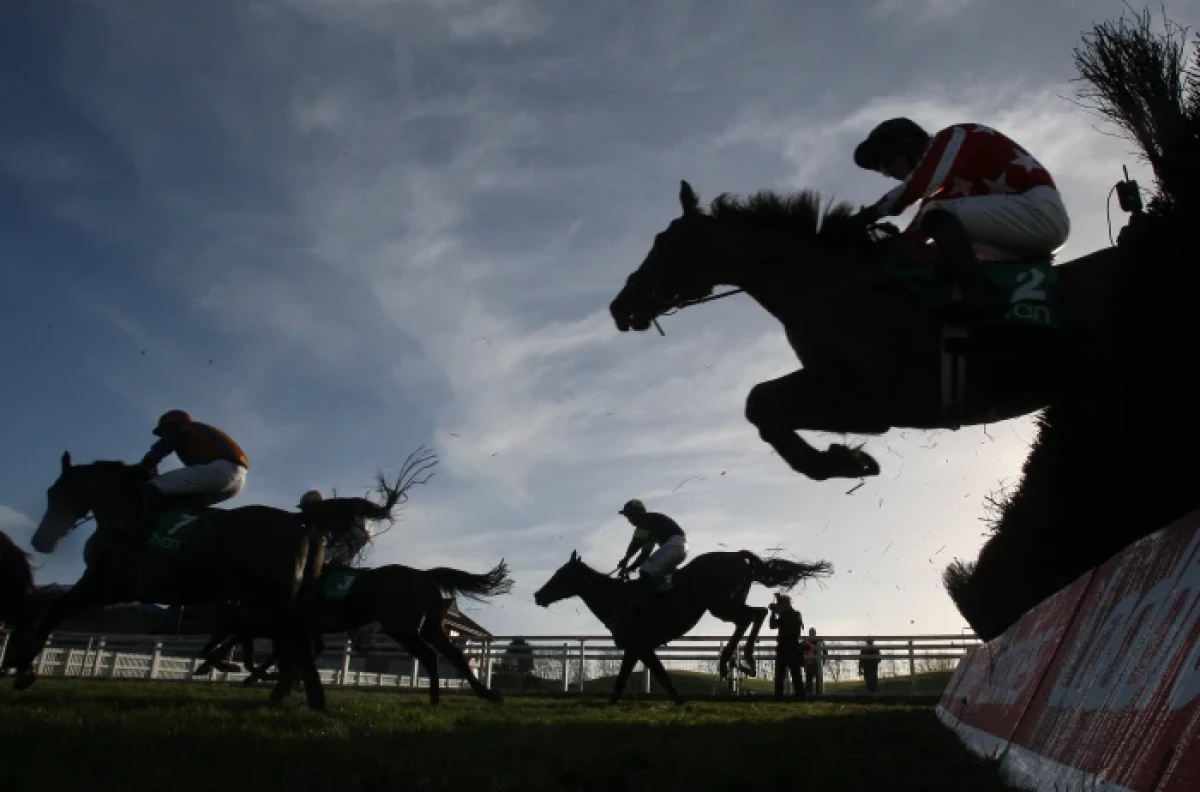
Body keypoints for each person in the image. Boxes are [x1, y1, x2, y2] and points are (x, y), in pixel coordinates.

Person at [851, 117, 1070, 263]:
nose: (888, 173)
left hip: (1039, 211)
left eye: (886, 162)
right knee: (933, 248)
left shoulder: (958, 135)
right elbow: (915, 236)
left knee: (938, 216)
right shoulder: (946, 192)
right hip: (1017, 234)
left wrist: (866, 216)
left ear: (905, 144)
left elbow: (920, 185)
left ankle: (972, 297)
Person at [133, 410, 249, 539]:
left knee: (154, 486)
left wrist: (142, 469)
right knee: (181, 506)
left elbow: (158, 452)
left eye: (163, 431)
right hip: (238, 481)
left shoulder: (180, 428)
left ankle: (143, 531)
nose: (163, 435)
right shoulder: (199, 431)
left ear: (170, 424)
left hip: (220, 471)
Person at [614, 498, 689, 595]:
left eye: (629, 516)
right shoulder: (651, 524)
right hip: (682, 548)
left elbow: (636, 543)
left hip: (672, 546)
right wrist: (630, 568)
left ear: (636, 513)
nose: (628, 520)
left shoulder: (644, 521)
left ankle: (659, 597)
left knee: (645, 570)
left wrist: (625, 560)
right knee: (653, 567)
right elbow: (644, 554)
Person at [297, 489, 372, 568]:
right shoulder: (322, 513)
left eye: (306, 508)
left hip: (359, 531)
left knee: (328, 557)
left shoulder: (326, 514)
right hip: (356, 531)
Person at [769, 593, 806, 701]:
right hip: (785, 647)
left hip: (792, 646)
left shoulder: (795, 614)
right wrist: (774, 613)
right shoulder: (788, 614)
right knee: (781, 675)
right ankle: (780, 697)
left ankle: (799, 697)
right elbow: (772, 625)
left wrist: (777, 612)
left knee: (795, 675)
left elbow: (789, 624)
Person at [802, 627, 822, 696]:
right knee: (808, 680)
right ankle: (809, 694)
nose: (812, 634)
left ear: (815, 633)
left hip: (816, 663)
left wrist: (823, 662)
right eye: (811, 633)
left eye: (812, 633)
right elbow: (802, 651)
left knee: (818, 680)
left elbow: (825, 651)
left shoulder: (819, 641)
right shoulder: (806, 641)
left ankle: (818, 694)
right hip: (809, 663)